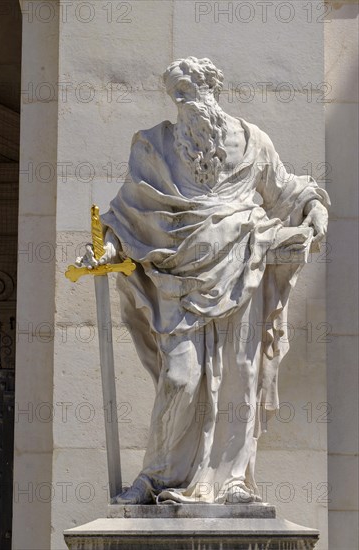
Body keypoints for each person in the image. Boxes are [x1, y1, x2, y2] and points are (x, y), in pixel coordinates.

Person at [77, 57, 329, 504]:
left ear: (212, 87)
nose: (182, 100)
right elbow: (128, 211)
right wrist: (109, 248)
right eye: (175, 93)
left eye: (188, 89)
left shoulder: (253, 142)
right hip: (178, 280)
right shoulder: (154, 146)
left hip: (243, 266)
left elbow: (286, 188)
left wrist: (314, 205)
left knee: (241, 373)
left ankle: (233, 481)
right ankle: (155, 478)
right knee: (181, 378)